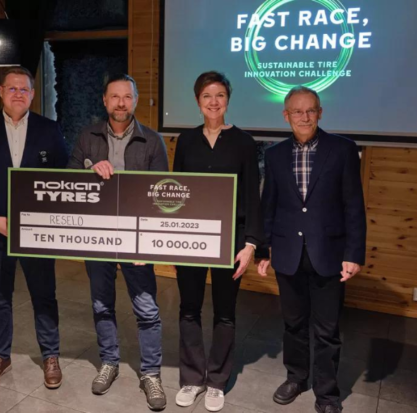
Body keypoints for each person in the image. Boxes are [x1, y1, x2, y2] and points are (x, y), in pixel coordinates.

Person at [0, 67, 68, 389]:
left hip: (37, 233)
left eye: (25, 89)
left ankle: (50, 356)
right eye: (12, 88)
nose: (19, 94)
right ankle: (0, 356)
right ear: (1, 92)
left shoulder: (49, 129)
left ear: (32, 94)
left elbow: (65, 177)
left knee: (44, 295)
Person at [257, 86, 367, 413]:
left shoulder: (343, 149)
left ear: (320, 112)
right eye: (297, 111)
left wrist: (353, 254)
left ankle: (327, 394)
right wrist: (263, 250)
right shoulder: (275, 154)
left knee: (327, 330)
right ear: (286, 115)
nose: (304, 117)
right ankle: (296, 377)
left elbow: (353, 206)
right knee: (293, 324)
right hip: (287, 253)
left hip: (329, 254)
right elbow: (268, 205)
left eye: (310, 110)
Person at [67, 73, 169, 411]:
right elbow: (68, 180)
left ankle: (151, 373)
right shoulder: (88, 137)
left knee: (147, 309)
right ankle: (109, 362)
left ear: (135, 100)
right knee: (101, 304)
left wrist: (147, 244)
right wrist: (88, 170)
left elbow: (161, 195)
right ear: (105, 100)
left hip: (136, 239)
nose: (121, 103)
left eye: (127, 96)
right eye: (115, 96)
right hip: (97, 235)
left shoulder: (152, 141)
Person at [172, 71, 261, 412]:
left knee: (225, 313)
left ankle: (216, 382)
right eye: (207, 95)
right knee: (189, 309)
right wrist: (171, 241)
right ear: (198, 101)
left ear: (228, 100)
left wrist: (250, 245)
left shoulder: (244, 142)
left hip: (230, 240)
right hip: (190, 239)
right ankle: (192, 378)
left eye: (220, 95)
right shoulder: (186, 140)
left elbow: (253, 195)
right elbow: (175, 193)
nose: (214, 101)